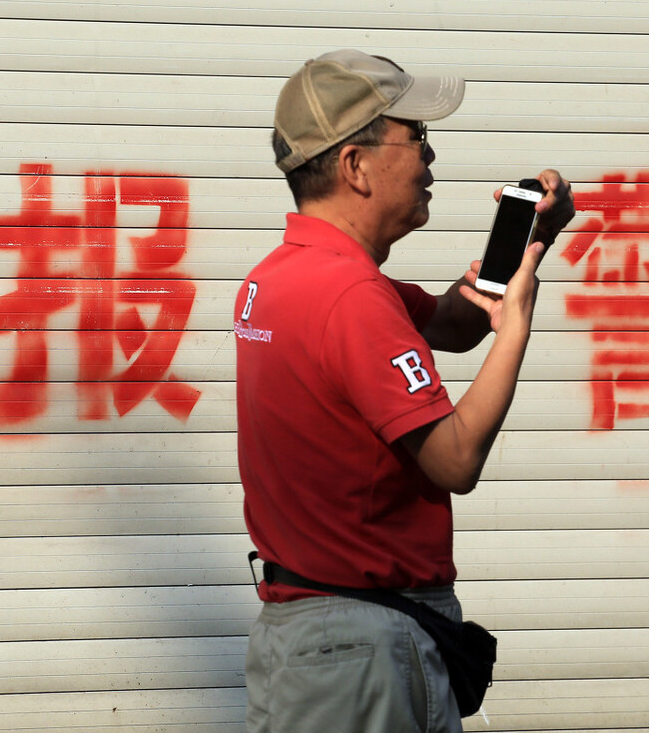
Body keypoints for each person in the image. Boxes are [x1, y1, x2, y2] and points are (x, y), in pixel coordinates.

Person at [233, 49, 575, 733]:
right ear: (356, 166)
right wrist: (518, 327)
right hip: (361, 655)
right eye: (415, 136)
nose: (430, 158)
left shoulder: (281, 276)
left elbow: (448, 323)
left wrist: (526, 245)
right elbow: (453, 461)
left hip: (311, 641)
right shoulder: (350, 296)